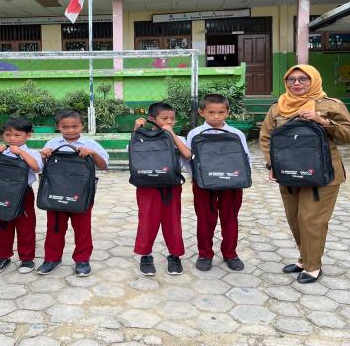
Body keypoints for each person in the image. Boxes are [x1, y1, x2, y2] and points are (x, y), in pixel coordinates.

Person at [259, 64, 350, 283]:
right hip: (289, 172)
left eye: (303, 79)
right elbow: (266, 137)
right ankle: (304, 258)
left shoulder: (330, 105)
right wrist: (272, 165)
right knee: (295, 219)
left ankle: (313, 266)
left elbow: (347, 134)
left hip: (323, 173)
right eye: (291, 79)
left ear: (314, 80)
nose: (296, 83)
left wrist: (323, 121)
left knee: (311, 219)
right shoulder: (278, 107)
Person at [37, 109, 109, 277]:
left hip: (81, 194)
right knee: (54, 228)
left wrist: (93, 153)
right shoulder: (52, 144)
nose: (70, 130)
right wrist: (44, 156)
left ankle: (82, 260)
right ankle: (52, 259)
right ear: (58, 127)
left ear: (82, 126)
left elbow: (104, 165)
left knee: (82, 229)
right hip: (56, 192)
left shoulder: (90, 144)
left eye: (75, 126)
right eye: (65, 127)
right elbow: (42, 167)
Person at [186, 93, 251, 272]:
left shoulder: (236, 134)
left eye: (221, 112)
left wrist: (240, 178)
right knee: (205, 219)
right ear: (202, 112)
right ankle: (205, 254)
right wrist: (197, 177)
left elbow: (245, 159)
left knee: (230, 218)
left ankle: (230, 253)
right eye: (211, 112)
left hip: (232, 184)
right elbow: (188, 159)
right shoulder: (195, 134)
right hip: (203, 185)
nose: (216, 116)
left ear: (227, 112)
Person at [133, 102, 191, 276]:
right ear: (152, 119)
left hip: (171, 186)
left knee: (172, 222)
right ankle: (145, 255)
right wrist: (136, 130)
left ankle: (174, 255)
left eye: (172, 119)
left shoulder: (177, 138)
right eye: (165, 118)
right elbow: (134, 154)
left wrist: (171, 134)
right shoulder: (143, 137)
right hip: (147, 186)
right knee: (147, 222)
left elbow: (187, 154)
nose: (170, 122)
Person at [0, 117, 43, 274]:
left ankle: (27, 259)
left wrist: (20, 152)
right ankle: (2, 257)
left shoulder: (31, 152)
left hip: (23, 195)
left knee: (25, 227)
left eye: (17, 135)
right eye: (8, 135)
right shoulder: (1, 151)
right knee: (1, 226)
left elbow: (36, 168)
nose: (12, 138)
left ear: (28, 135)